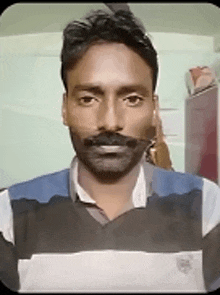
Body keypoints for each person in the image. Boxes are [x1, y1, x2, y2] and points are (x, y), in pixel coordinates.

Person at [0, 9, 219, 292]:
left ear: (154, 109)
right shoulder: (9, 216)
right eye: (89, 99)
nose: (110, 122)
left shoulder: (208, 207)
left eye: (132, 99)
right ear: (65, 108)